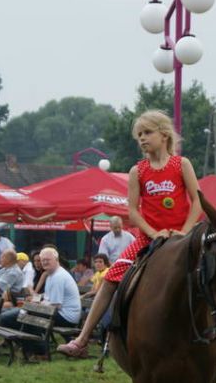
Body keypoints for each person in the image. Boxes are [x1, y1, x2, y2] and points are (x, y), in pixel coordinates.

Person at [57, 109, 203, 359]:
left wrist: (185, 231)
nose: (142, 139)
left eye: (147, 133)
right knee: (111, 279)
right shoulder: (138, 171)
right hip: (148, 239)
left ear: (164, 134)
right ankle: (82, 338)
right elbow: (133, 212)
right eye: (139, 135)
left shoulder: (182, 165)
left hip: (183, 237)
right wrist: (153, 233)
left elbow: (199, 202)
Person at [0, 247, 82, 354]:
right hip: (58, 312)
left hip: (66, 316)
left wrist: (34, 306)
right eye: (43, 260)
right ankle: (30, 347)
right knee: (11, 314)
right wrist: (36, 302)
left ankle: (38, 350)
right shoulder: (52, 274)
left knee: (18, 317)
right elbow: (48, 299)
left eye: (48, 259)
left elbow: (56, 305)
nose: (44, 262)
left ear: (56, 260)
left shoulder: (58, 277)